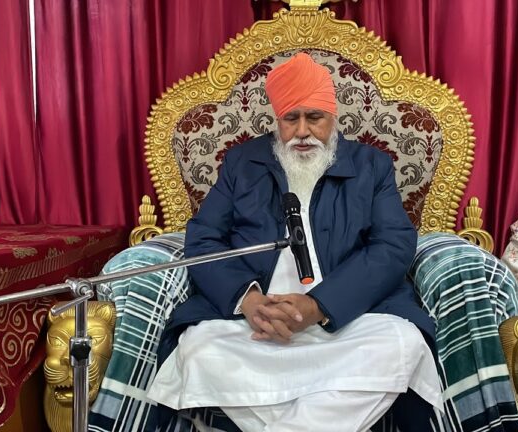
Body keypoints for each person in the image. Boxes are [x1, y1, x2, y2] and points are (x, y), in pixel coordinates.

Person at [147, 52, 442, 432]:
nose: (302, 131)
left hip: (351, 318)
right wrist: (248, 300)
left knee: (402, 344)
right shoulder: (242, 163)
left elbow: (392, 244)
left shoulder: (371, 165)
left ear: (333, 117)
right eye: (291, 118)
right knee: (198, 348)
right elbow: (204, 238)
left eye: (314, 117)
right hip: (254, 323)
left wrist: (319, 305)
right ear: (277, 120)